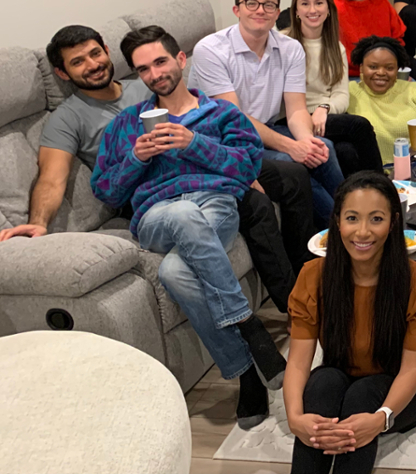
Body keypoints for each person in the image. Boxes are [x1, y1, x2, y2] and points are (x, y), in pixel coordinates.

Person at [0, 25, 312, 314]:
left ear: (107, 51)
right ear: (62, 73)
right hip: (150, 183)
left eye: (95, 53)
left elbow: (207, 117)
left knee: (294, 174)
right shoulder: (67, 118)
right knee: (254, 203)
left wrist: (239, 170)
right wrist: (38, 224)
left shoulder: (146, 82)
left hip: (198, 163)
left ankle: (310, 270)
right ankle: (291, 304)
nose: (92, 64)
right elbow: (52, 180)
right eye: (77, 61)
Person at [91, 26, 287, 429]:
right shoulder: (127, 125)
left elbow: (248, 165)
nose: (154, 73)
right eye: (143, 69)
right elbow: (106, 191)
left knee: (174, 272)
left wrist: (192, 142)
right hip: (156, 215)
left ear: (181, 60)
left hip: (216, 204)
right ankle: (248, 324)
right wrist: (135, 158)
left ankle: (246, 374)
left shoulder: (221, 113)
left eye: (160, 62)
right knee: (181, 216)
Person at [284, 172, 416, 473]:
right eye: (352, 218)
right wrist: (295, 419)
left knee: (362, 395)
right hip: (340, 378)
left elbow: (411, 368)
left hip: (397, 395)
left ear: (394, 223)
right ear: (337, 221)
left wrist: (380, 418)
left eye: (376, 219)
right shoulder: (313, 276)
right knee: (322, 383)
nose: (362, 232)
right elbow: (297, 364)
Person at [188, 0, 345, 222]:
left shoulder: (290, 48)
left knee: (324, 148)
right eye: (251, 3)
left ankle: (355, 214)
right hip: (227, 139)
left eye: (269, 5)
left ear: (277, 13)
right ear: (236, 10)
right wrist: (292, 147)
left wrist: (306, 142)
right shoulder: (210, 50)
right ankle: (340, 227)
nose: (260, 10)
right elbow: (235, 118)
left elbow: (295, 109)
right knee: (291, 164)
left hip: (265, 130)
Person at [283, 0, 384, 175]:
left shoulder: (336, 47)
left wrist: (325, 108)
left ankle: (358, 199)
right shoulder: (284, 42)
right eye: (305, 4)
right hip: (293, 119)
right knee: (360, 126)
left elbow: (341, 95)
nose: (313, 10)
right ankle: (382, 188)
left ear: (329, 9)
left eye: (319, 3)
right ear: (295, 10)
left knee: (346, 152)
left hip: (326, 117)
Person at [347, 37, 416, 165]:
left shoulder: (415, 90)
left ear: (397, 70)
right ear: (361, 68)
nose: (381, 73)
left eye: (389, 68)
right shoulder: (349, 93)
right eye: (373, 67)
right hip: (375, 175)